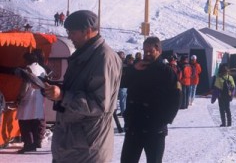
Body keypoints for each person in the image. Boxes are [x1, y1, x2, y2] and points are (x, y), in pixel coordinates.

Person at [43, 10, 122, 163]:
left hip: (87, 148)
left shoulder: (103, 58)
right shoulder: (86, 54)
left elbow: (99, 104)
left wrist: (63, 96)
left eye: (72, 32)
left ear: (87, 31)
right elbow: (77, 89)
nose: (69, 37)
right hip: (73, 143)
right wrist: (53, 89)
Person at [120, 36, 181, 163]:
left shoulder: (167, 72)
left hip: (154, 128)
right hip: (134, 125)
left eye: (150, 51)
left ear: (159, 50)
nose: (147, 54)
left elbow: (176, 98)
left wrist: (164, 120)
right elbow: (121, 82)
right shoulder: (138, 68)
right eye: (145, 51)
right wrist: (133, 69)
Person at [16, 52, 47, 154]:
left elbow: (25, 85)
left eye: (24, 60)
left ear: (27, 60)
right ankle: (37, 142)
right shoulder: (42, 69)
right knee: (36, 122)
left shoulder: (28, 69)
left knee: (25, 122)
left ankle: (28, 144)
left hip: (28, 98)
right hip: (39, 98)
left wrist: (20, 97)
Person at [211, 63, 235, 127]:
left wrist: (213, 99)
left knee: (222, 109)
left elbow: (216, 90)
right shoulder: (230, 77)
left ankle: (223, 123)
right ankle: (229, 123)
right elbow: (233, 87)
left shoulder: (218, 78)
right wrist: (231, 96)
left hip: (221, 96)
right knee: (227, 109)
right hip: (228, 96)